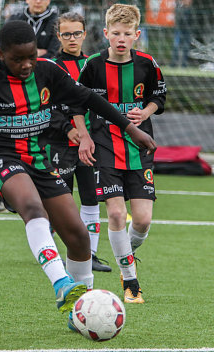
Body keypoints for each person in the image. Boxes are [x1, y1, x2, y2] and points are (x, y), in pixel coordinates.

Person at [0, 20, 157, 327]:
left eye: (31, 56)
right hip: (0, 158)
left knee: (78, 235)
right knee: (32, 207)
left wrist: (130, 128)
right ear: (0, 54)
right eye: (18, 59)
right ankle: (61, 284)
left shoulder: (47, 71)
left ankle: (80, 311)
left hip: (40, 160)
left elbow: (89, 99)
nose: (26, 64)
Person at [76, 4, 167, 304]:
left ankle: (123, 255)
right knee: (115, 213)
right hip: (104, 145)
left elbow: (159, 96)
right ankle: (130, 281)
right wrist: (84, 137)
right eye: (115, 33)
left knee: (141, 220)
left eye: (127, 34)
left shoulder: (147, 64)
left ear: (137, 35)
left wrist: (147, 110)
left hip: (140, 148)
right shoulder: (92, 65)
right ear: (105, 34)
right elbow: (76, 104)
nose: (121, 39)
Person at [47, 11, 111, 273]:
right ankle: (50, 252)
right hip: (59, 143)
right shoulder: (50, 67)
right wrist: (66, 128)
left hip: (90, 142)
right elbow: (43, 105)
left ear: (84, 34)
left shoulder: (94, 65)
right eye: (66, 34)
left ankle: (90, 254)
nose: (72, 38)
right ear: (58, 35)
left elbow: (100, 101)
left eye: (76, 33)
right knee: (57, 199)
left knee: (90, 197)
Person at [0, 0, 60, 212]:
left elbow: (53, 53)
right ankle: (2, 198)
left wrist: (22, 57)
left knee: (38, 137)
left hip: (41, 86)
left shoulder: (55, 21)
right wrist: (32, 54)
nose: (38, 1)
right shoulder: (15, 19)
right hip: (11, 88)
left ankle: (45, 193)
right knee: (7, 139)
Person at [170, 0, 193, 67]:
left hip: (187, 31)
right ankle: (173, 64)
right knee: (176, 46)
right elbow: (178, 19)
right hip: (179, 30)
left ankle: (184, 64)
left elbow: (192, 21)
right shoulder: (179, 8)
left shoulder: (191, 10)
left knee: (186, 47)